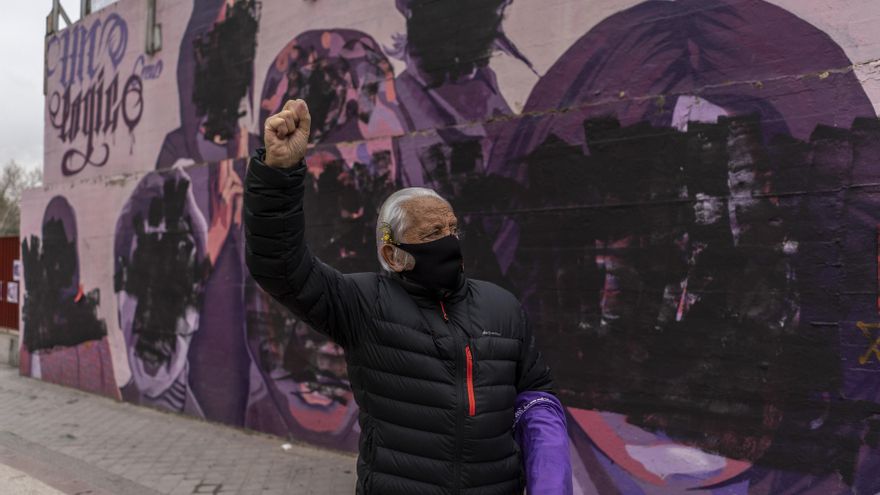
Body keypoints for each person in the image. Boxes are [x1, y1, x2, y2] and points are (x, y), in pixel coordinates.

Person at [244, 99, 572, 495]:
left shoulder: (502, 307)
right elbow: (280, 267)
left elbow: (537, 398)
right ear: (391, 254)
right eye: (432, 233)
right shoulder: (364, 304)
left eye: (452, 229)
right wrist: (279, 174)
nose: (448, 240)